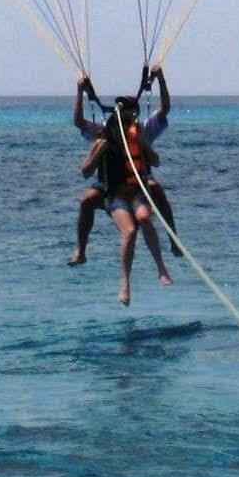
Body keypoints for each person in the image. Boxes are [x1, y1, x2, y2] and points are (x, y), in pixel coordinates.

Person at [69, 68, 178, 265]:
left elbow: (165, 109)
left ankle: (174, 240)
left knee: (156, 189)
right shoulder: (102, 134)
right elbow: (78, 122)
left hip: (139, 181)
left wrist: (160, 79)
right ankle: (81, 250)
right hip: (107, 184)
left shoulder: (143, 132)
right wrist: (80, 91)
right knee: (86, 201)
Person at [80, 95, 173, 304]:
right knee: (129, 232)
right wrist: (98, 153)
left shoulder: (138, 138)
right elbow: (85, 172)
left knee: (144, 218)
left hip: (137, 194)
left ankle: (161, 267)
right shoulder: (102, 141)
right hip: (116, 197)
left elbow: (156, 162)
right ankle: (125, 284)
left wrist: (143, 144)